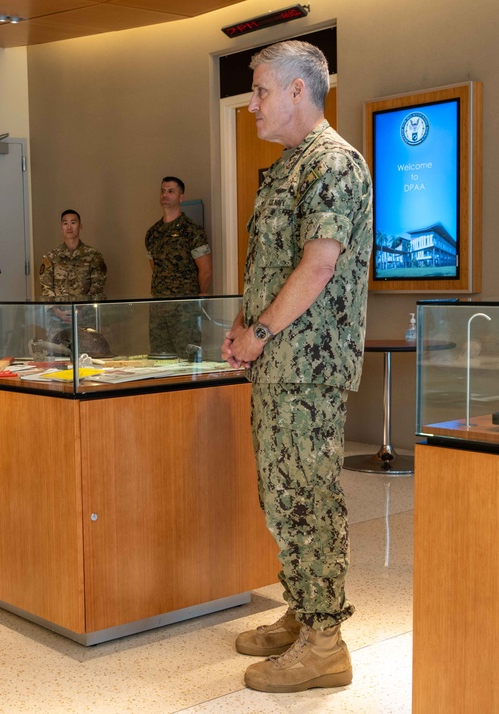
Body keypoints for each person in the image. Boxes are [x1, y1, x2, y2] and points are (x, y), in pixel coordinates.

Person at [221, 40, 372, 694]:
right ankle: (306, 613)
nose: (250, 105)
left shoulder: (332, 163)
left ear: (296, 92)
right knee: (282, 496)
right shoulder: (289, 165)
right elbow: (276, 265)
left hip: (307, 368)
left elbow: (318, 264)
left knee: (310, 498)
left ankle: (327, 643)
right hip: (279, 363)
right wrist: (246, 324)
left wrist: (257, 332)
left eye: (258, 91)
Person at [145, 176, 212, 359]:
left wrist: (198, 298)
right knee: (160, 357)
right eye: (163, 191)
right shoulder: (153, 233)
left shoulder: (191, 231)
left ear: (181, 198)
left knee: (187, 357)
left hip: (185, 308)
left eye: (171, 191)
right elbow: (155, 266)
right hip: (159, 305)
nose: (165, 195)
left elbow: (205, 270)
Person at [39, 210, 107, 302]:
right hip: (57, 314)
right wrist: (57, 310)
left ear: (80, 226)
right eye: (65, 223)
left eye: (73, 222)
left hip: (86, 313)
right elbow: (46, 288)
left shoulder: (93, 256)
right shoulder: (51, 257)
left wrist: (82, 309)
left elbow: (97, 288)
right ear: (61, 228)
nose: (69, 227)